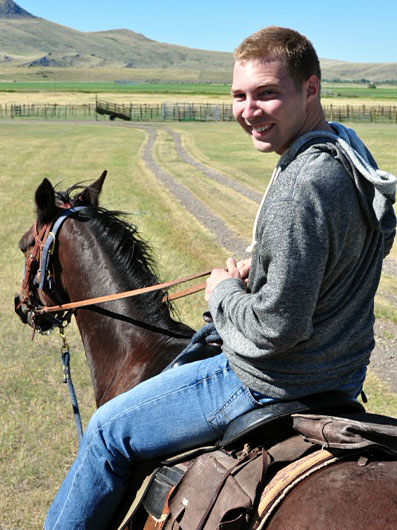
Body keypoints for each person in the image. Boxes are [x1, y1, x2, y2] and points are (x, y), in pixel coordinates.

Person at [45, 27, 396, 529]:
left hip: (273, 381)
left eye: (267, 94)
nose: (249, 110)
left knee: (106, 432)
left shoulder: (301, 183)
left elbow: (277, 329)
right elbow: (375, 238)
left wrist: (224, 290)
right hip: (343, 373)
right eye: (239, 96)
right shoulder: (347, 151)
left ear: (311, 89)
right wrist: (280, 267)